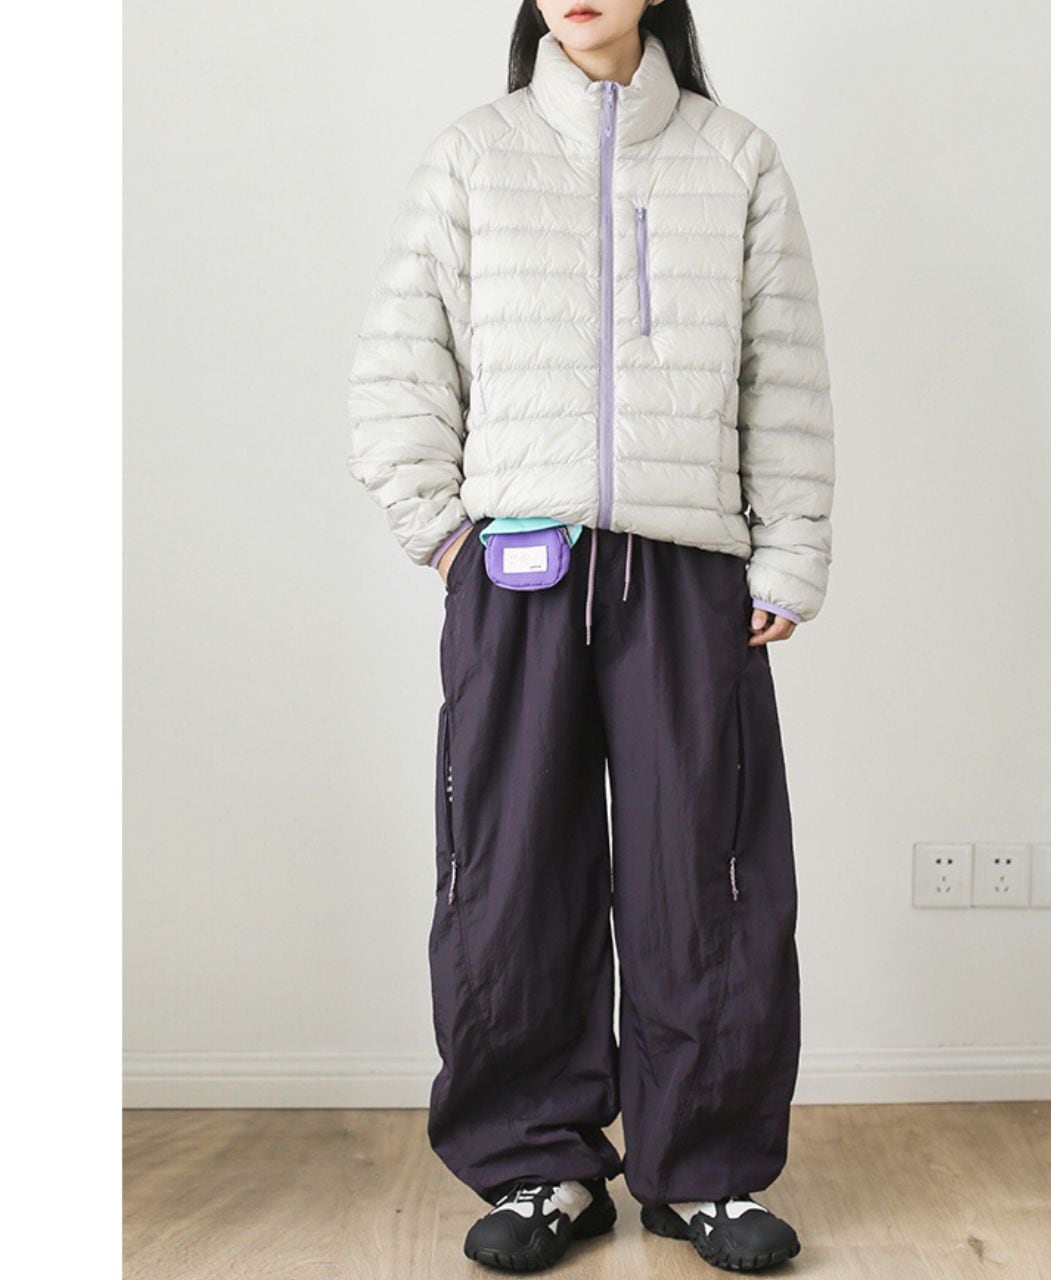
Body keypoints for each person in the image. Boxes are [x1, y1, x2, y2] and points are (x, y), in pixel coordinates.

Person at [347, 1, 835, 1271]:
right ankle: (538, 1163)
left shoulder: (734, 158)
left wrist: (786, 550)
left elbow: (782, 369)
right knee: (510, 869)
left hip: (689, 569)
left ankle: (705, 1169)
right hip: (516, 567)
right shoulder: (474, 153)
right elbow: (402, 361)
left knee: (705, 873)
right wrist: (441, 533)